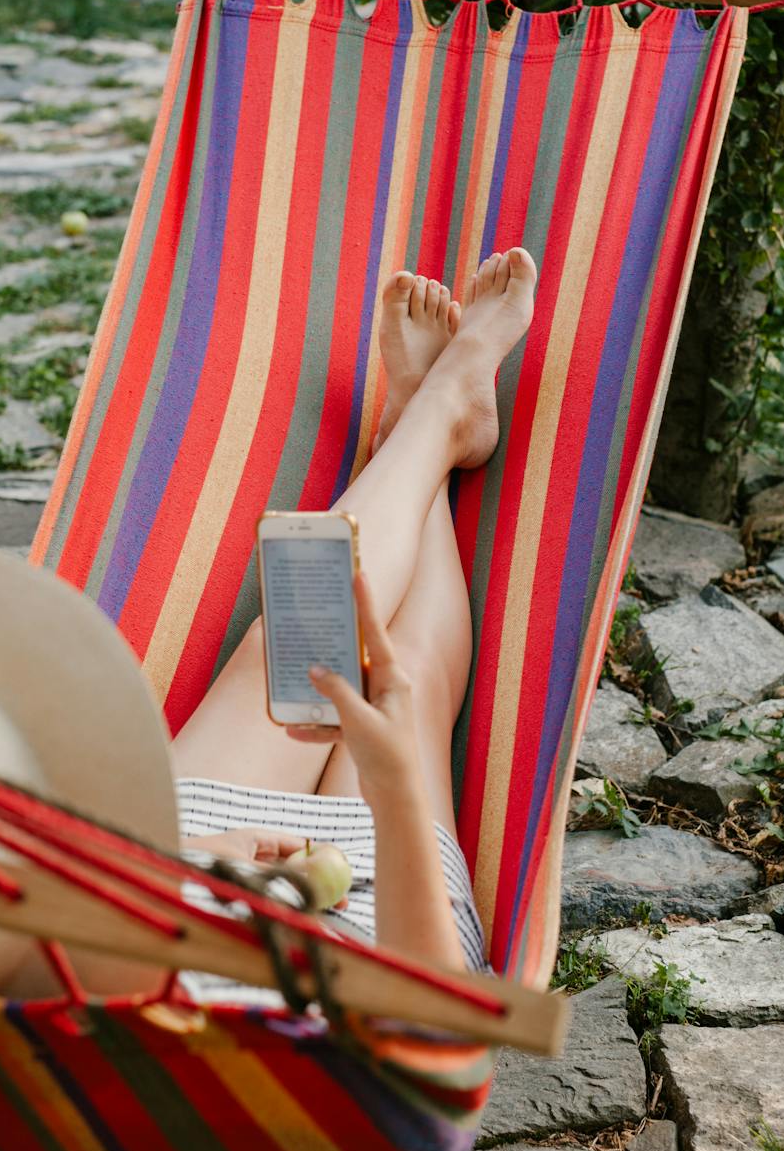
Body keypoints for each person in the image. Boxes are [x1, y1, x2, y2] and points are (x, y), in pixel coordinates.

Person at [172, 248, 538, 982]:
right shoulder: (364, 1079)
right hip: (384, 947)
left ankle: (427, 421)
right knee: (405, 681)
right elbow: (436, 1032)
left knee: (292, 648)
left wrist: (200, 857)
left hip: (164, 886)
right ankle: (434, 418)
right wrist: (394, 788)